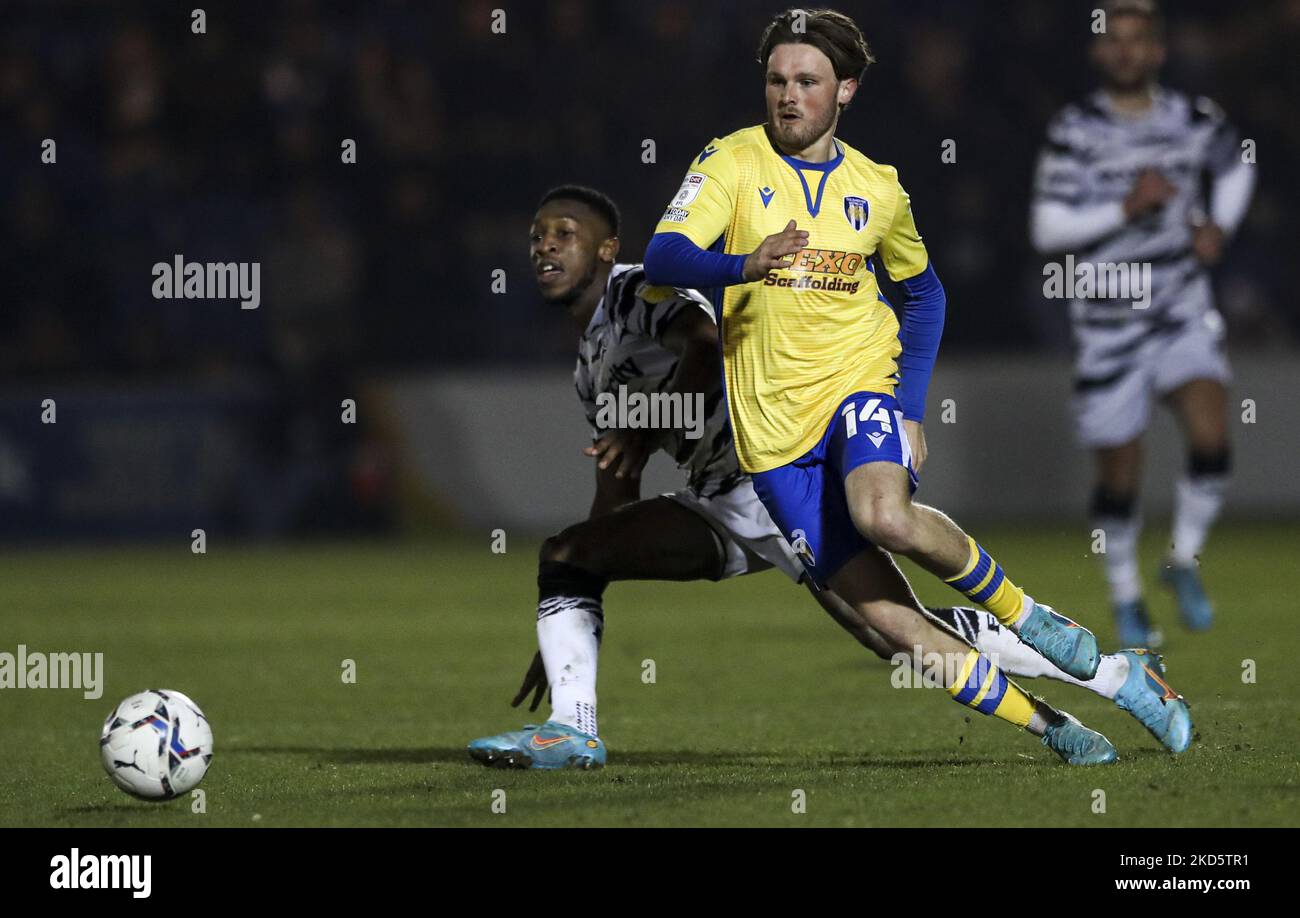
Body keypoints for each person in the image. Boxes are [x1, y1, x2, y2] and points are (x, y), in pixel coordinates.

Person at [466, 184, 1188, 771]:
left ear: (606, 247)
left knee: (892, 633)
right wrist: (569, 619)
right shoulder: (591, 361)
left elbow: (708, 342)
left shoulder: (637, 292)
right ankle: (573, 726)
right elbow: (617, 485)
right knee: (568, 553)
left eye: (562, 232)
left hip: (777, 473)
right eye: (536, 237)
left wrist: (645, 423)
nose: (544, 247)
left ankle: (1113, 678)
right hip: (723, 502)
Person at [641, 7, 1160, 766]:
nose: (788, 96)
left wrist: (908, 409)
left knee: (882, 513)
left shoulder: (877, 188)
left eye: (808, 82)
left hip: (859, 389)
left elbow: (925, 295)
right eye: (777, 80)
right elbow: (663, 256)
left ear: (845, 90)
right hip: (774, 441)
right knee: (888, 626)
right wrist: (740, 267)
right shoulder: (731, 163)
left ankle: (1034, 618)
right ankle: (1052, 727)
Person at [1030, 0, 1255, 646]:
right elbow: (1047, 228)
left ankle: (1182, 559)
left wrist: (1220, 226)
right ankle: (1127, 596)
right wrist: (1126, 208)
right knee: (1120, 473)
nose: (1126, 51)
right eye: (1115, 41)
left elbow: (1239, 161)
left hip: (1180, 307)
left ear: (1157, 50)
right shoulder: (1074, 131)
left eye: (1138, 40)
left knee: (1212, 434)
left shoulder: (1193, 118)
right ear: (1099, 52)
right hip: (1106, 321)